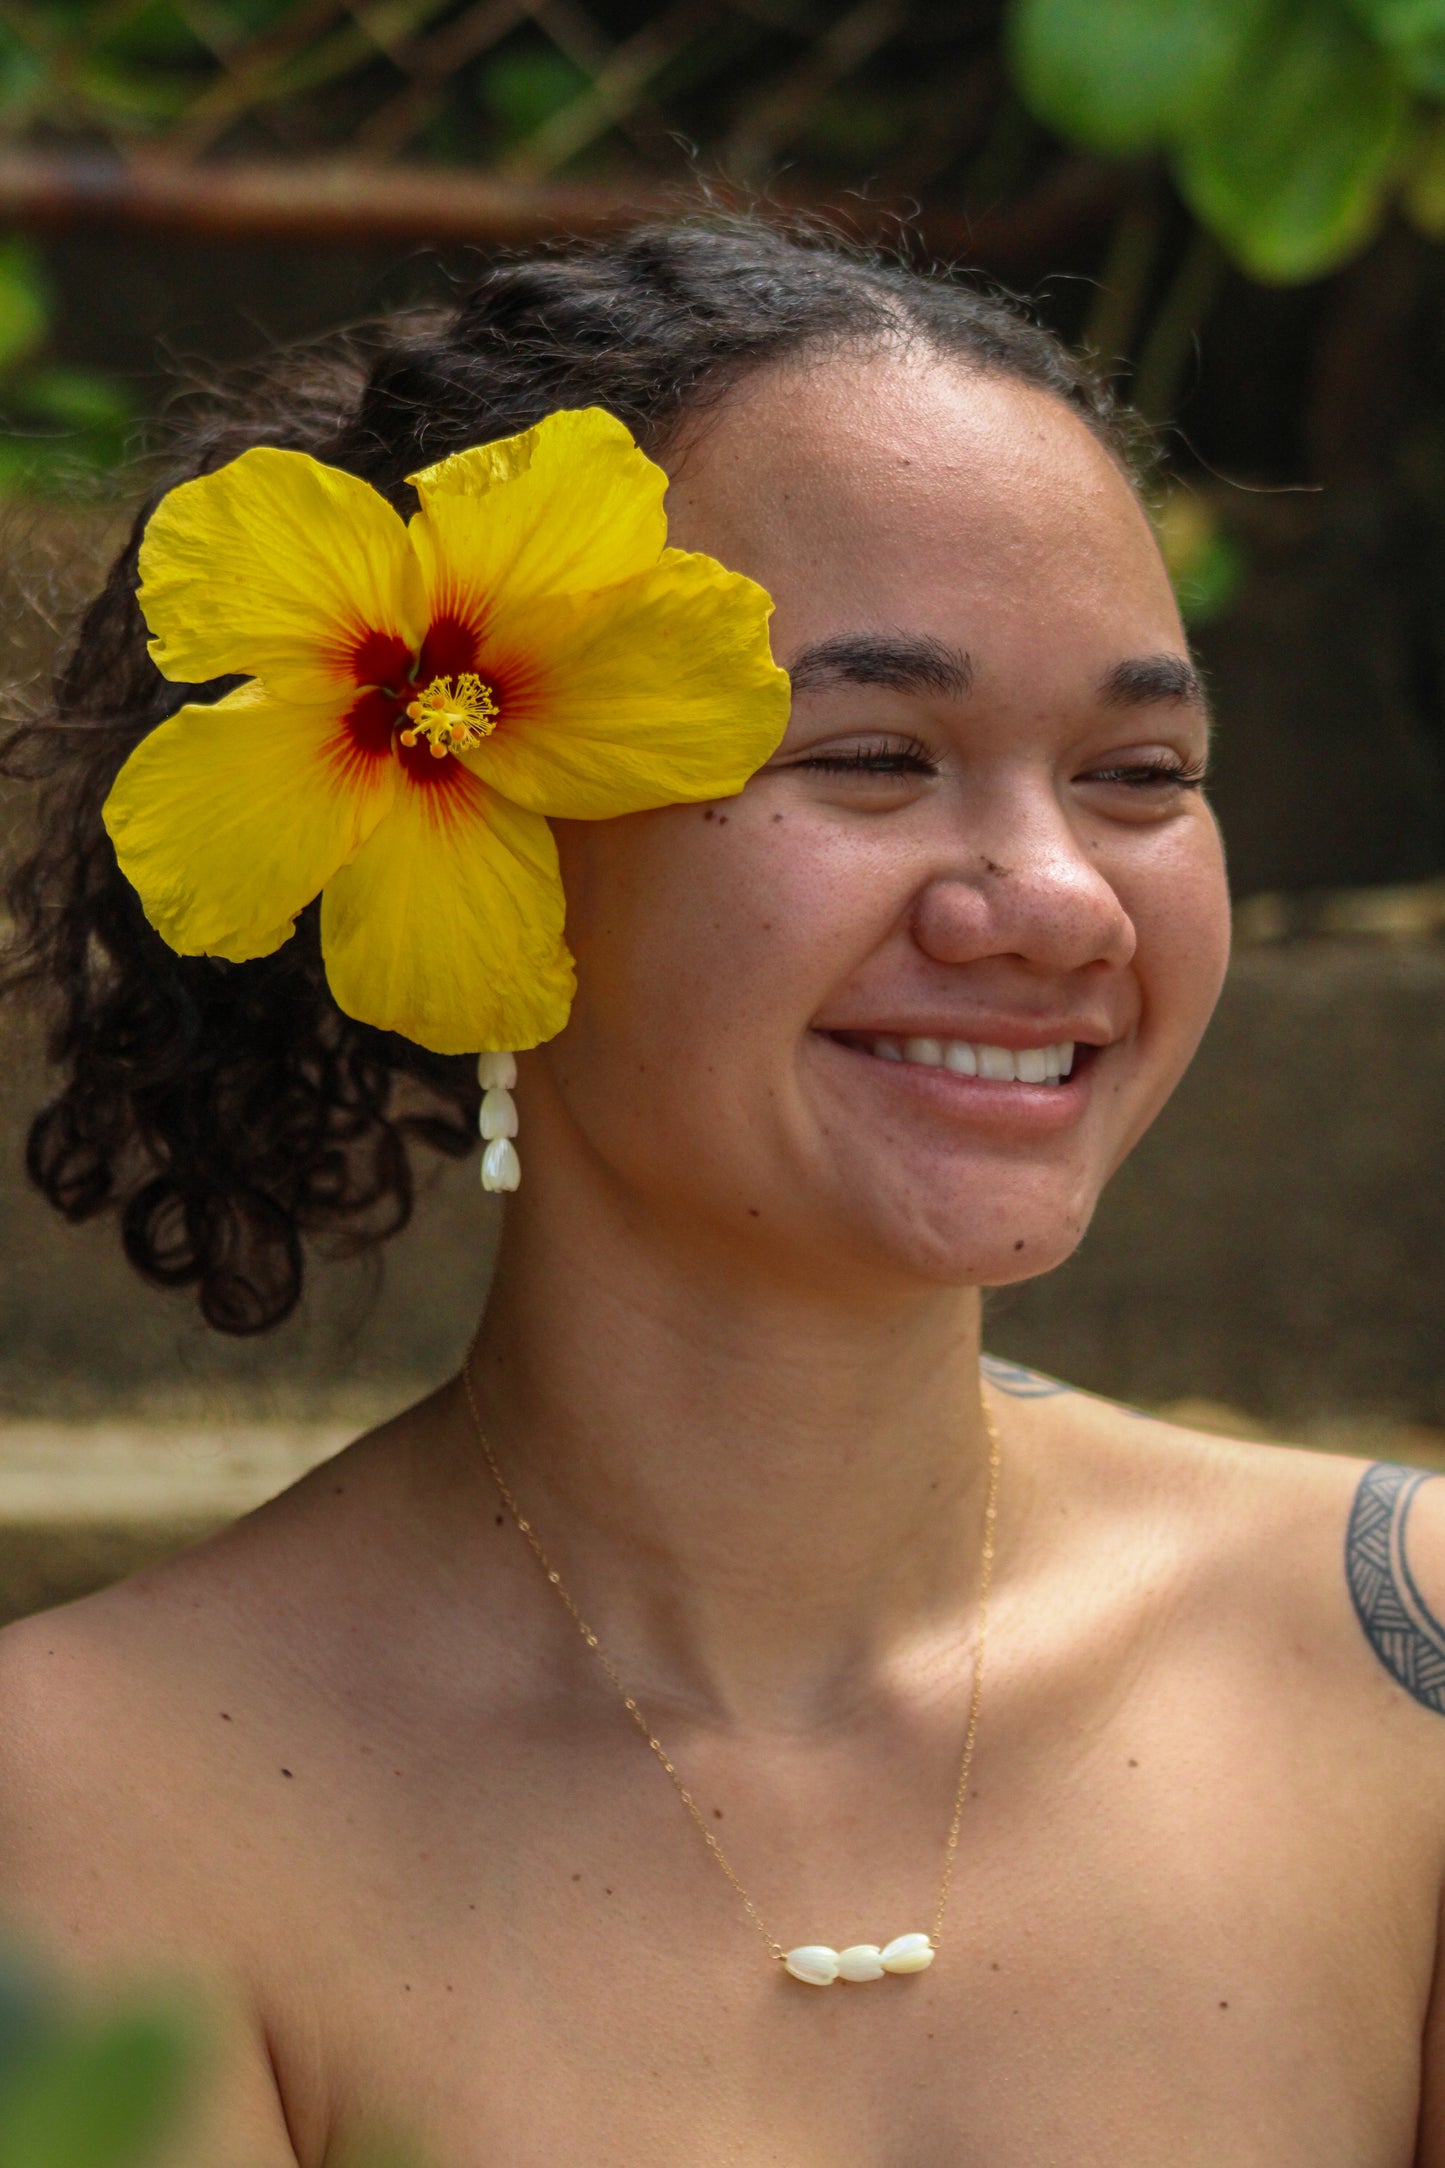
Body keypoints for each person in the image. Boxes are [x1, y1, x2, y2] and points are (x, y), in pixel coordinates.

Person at [0, 217, 1441, 2168]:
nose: (1056, 899)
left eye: (1138, 769)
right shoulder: (89, 1805)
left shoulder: (1402, 1675)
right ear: (474, 811)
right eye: (865, 755)